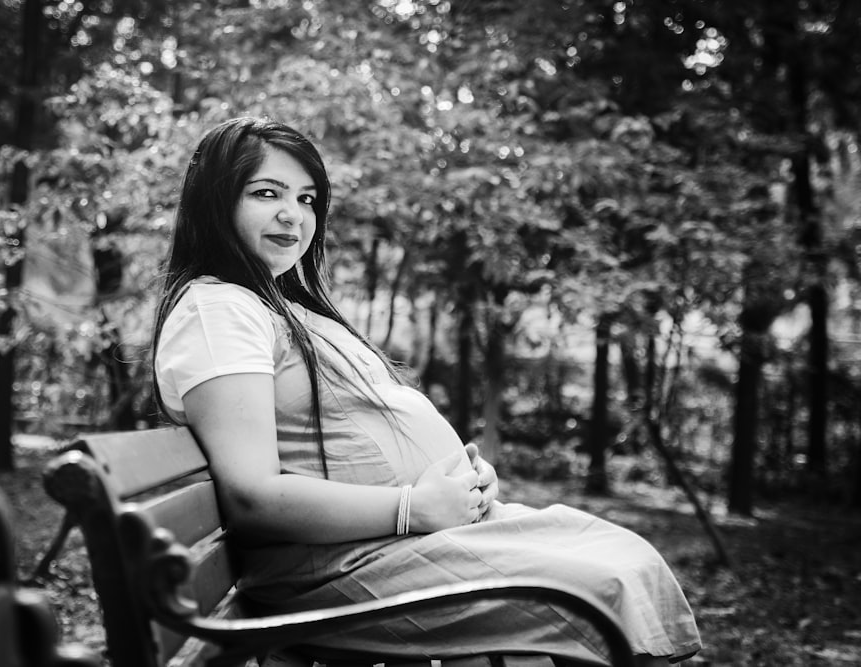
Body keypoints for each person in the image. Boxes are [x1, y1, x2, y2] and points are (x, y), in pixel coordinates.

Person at [152, 116, 702, 666]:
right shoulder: (218, 309)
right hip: (346, 564)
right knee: (600, 589)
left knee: (625, 559)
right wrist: (413, 507)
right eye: (265, 193)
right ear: (215, 203)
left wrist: (463, 485)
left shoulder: (275, 304)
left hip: (400, 544)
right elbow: (252, 498)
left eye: (307, 198)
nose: (292, 214)